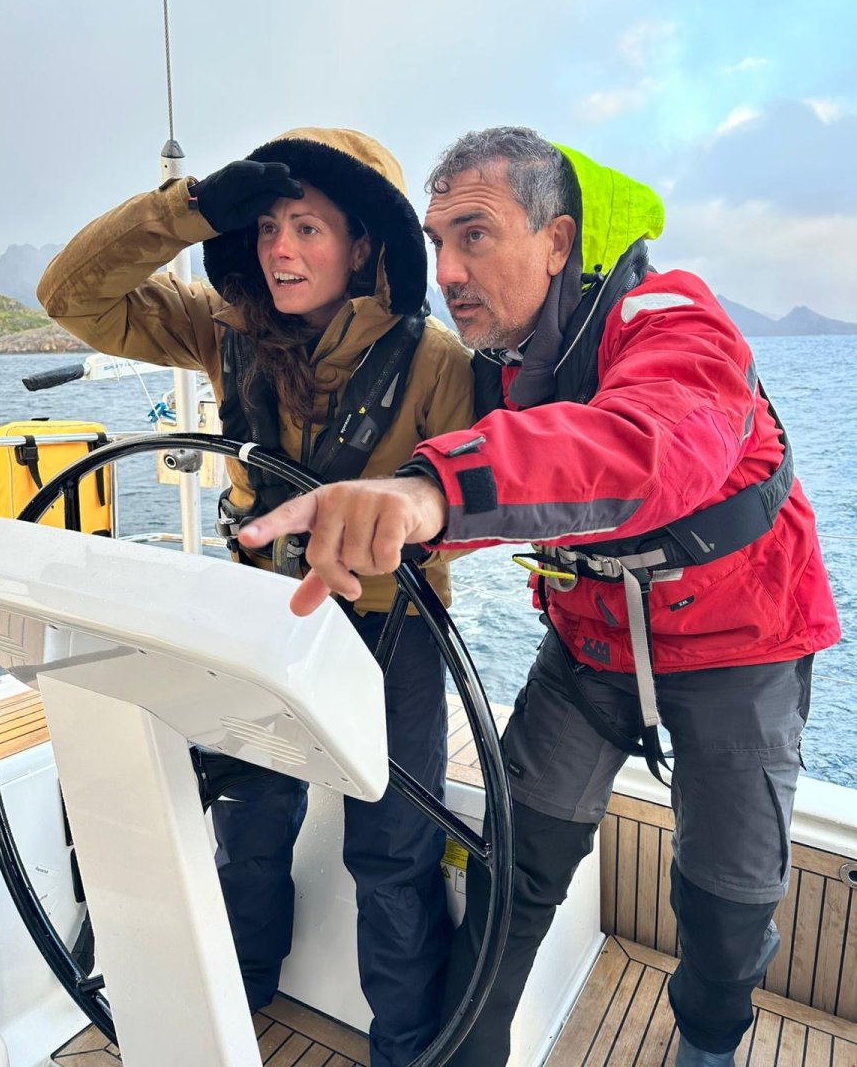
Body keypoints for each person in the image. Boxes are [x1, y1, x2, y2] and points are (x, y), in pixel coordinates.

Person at [239, 127, 841, 1067]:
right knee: (508, 879)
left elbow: (646, 447)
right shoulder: (499, 368)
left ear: (556, 242)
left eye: (474, 235)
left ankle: (711, 1042)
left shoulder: (674, 318)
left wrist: (431, 488)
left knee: (729, 906)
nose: (447, 268)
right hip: (590, 649)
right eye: (437, 243)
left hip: (741, 647)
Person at [37, 127, 477, 1067]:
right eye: (268, 224)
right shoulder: (222, 330)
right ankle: (234, 1014)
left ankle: (407, 1050)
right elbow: (68, 295)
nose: (281, 249)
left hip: (391, 627)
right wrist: (186, 207)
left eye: (309, 228)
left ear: (365, 246)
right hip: (260, 620)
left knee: (393, 855)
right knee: (249, 820)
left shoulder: (437, 361)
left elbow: (479, 509)